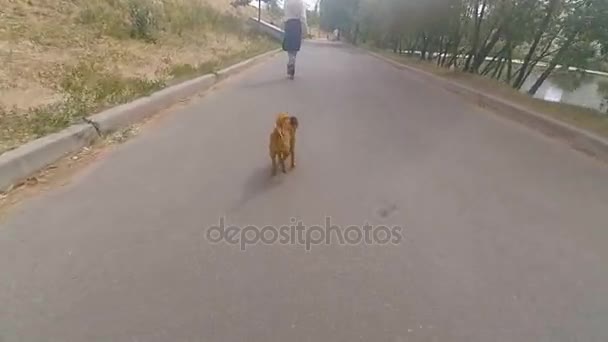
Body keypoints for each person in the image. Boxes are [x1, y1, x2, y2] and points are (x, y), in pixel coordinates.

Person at [282, 0, 308, 79]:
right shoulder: (301, 2)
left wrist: (284, 24)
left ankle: (291, 59)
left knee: (289, 44)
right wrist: (305, 29)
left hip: (288, 23)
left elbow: (285, 13)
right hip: (297, 24)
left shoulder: (287, 1)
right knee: (295, 45)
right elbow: (303, 17)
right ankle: (293, 59)